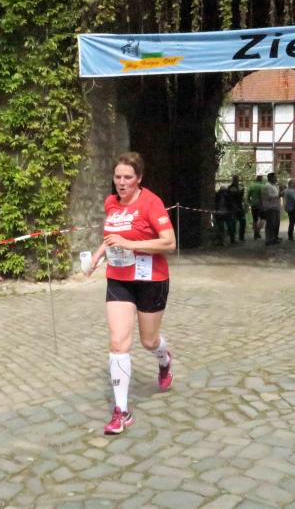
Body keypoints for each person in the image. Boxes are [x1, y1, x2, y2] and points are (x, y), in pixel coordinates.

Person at [87, 152, 177, 435]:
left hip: (151, 279)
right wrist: (98, 255)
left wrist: (130, 244)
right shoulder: (111, 203)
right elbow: (111, 237)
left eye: (128, 177)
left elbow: (169, 243)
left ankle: (164, 359)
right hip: (119, 278)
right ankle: (121, 411)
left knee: (148, 341)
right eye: (118, 177)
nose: (122, 182)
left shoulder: (151, 203)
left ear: (139, 179)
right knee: (118, 342)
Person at [261, 172, 281, 245]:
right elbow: (268, 196)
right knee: (270, 224)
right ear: (271, 178)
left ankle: (274, 238)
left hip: (275, 207)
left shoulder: (274, 186)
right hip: (270, 208)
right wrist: (278, 195)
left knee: (276, 224)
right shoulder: (267, 186)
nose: (276, 178)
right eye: (275, 177)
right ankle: (268, 240)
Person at [227, 175, 246, 242]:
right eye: (235, 179)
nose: (236, 180)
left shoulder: (241, 187)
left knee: (243, 221)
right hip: (232, 207)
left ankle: (241, 236)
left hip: (240, 206)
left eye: (237, 179)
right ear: (233, 180)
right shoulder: (230, 188)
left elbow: (241, 197)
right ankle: (232, 238)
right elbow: (230, 199)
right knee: (233, 223)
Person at [246, 175, 265, 240]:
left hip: (253, 205)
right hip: (261, 205)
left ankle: (255, 233)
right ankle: (257, 231)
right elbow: (263, 196)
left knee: (255, 220)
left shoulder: (251, 186)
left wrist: (250, 203)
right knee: (263, 219)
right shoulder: (262, 186)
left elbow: (248, 197)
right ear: (261, 179)